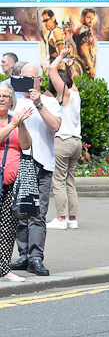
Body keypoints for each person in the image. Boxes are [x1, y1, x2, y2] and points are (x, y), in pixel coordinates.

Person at [9, 64, 62, 278]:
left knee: (38, 215)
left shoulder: (50, 102)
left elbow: (55, 126)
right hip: (18, 163)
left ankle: (36, 257)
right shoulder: (13, 103)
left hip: (42, 163)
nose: (27, 82)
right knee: (20, 213)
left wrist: (38, 102)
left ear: (40, 81)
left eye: (32, 79)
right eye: (23, 78)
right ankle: (23, 255)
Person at [46, 47, 82, 230]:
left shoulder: (64, 94)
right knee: (70, 180)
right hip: (77, 142)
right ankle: (72, 219)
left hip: (63, 141)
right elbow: (70, 78)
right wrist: (69, 68)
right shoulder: (75, 92)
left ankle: (60, 219)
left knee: (58, 180)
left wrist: (60, 56)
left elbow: (52, 70)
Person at [0, 83, 33, 282]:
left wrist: (21, 124)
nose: (2, 98)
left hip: (12, 182)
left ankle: (3, 268)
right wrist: (12, 125)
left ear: (12, 101)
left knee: (8, 227)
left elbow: (26, 145)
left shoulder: (15, 120)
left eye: (6, 96)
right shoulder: (10, 123)